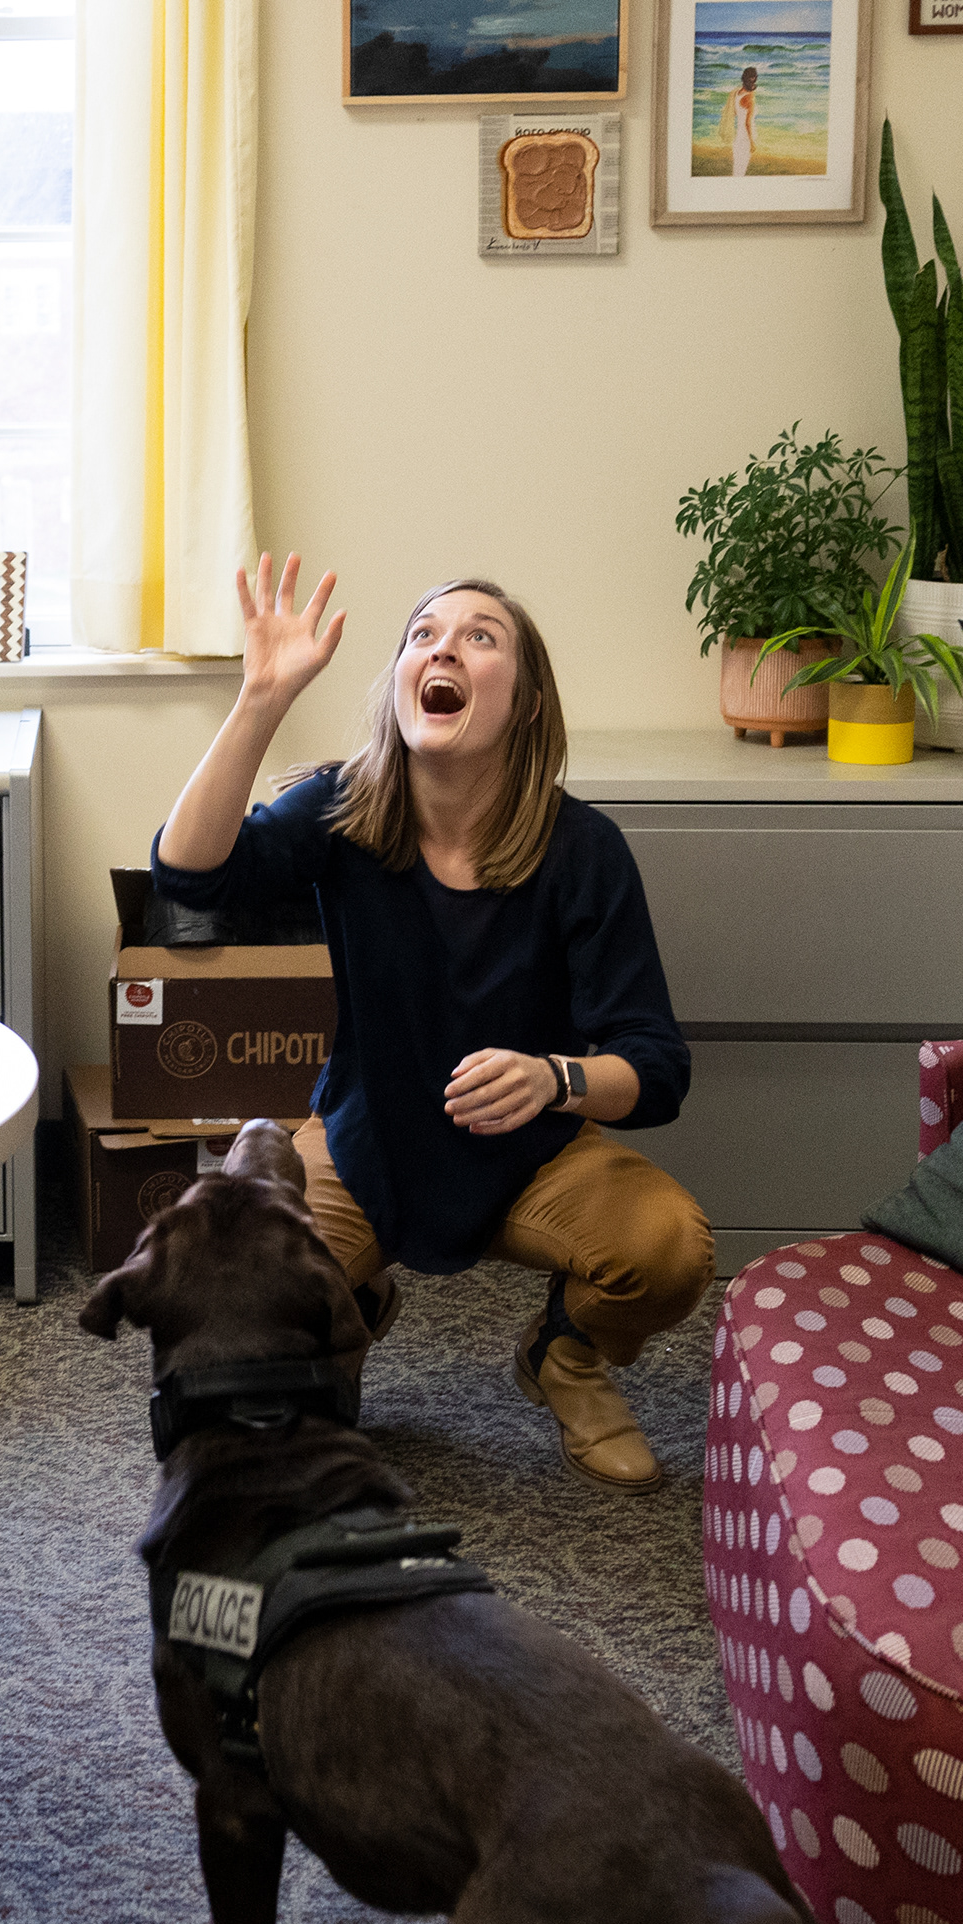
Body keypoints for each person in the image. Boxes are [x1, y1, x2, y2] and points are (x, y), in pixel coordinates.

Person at [152, 557, 713, 1492]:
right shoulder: (342, 808)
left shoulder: (585, 851)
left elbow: (656, 1066)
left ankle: (563, 1360)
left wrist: (555, 1078)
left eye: (479, 636)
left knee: (669, 1248)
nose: (443, 646)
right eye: (423, 635)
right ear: (405, 683)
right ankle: (354, 1303)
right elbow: (189, 877)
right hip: (369, 1143)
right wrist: (260, 698)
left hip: (534, 1156)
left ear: (526, 701)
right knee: (252, 1309)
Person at [721, 63, 759, 178]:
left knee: (737, 167)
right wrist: (752, 142)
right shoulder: (750, 97)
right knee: (741, 169)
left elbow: (734, 113)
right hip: (746, 136)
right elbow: (748, 123)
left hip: (738, 135)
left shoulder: (736, 93)